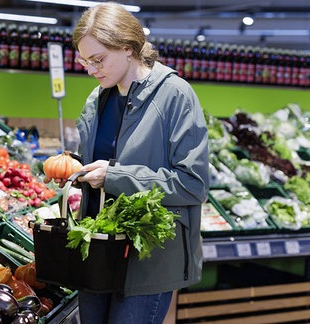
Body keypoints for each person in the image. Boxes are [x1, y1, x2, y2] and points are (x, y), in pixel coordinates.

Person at [45, 2, 210, 323]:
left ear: (128, 48)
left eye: (98, 60)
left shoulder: (175, 96)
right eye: (84, 61)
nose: (91, 69)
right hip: (96, 253)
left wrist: (114, 176)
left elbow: (192, 184)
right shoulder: (98, 99)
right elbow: (104, 161)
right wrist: (73, 170)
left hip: (148, 260)